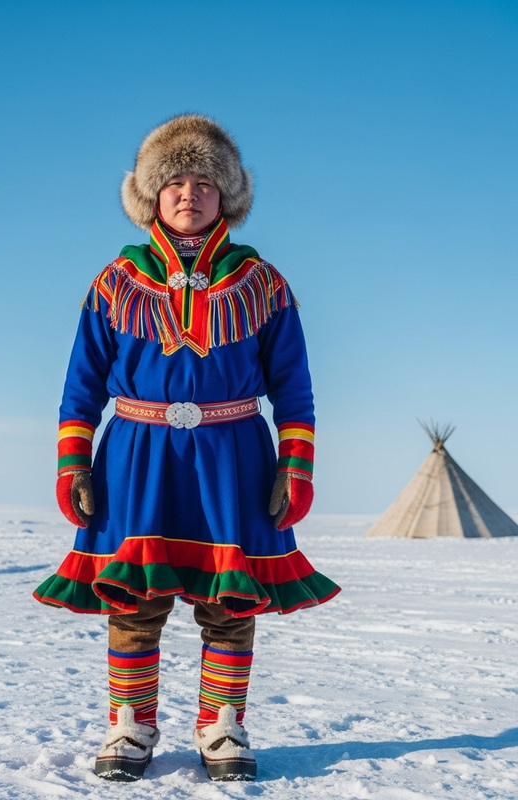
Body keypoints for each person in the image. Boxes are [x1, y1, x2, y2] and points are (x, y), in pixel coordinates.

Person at [33, 114, 340, 782]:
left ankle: (223, 726)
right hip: (136, 454)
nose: (188, 193)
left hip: (234, 455)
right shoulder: (116, 280)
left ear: (227, 195)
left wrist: (297, 464)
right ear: (151, 195)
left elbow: (294, 386)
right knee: (135, 596)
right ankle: (131, 726)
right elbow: (81, 382)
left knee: (229, 598)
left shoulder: (262, 281)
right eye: (173, 181)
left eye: (204, 181)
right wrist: (72, 462)